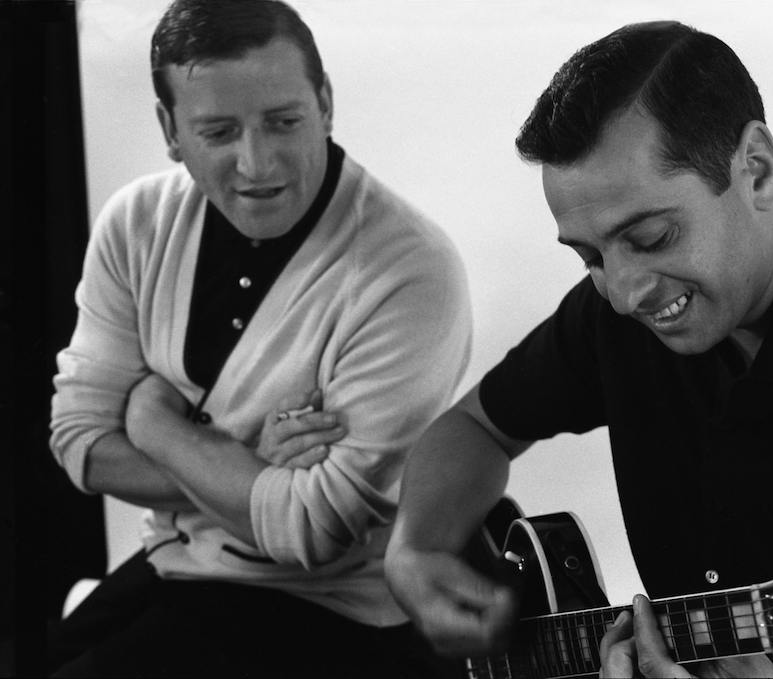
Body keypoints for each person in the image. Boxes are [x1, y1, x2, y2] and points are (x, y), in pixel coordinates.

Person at [384, 20, 773, 678]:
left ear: (756, 170)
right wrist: (416, 547)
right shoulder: (623, 311)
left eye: (650, 237)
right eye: (591, 256)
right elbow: (478, 426)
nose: (622, 293)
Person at [47, 0, 472, 676]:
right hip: (179, 563)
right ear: (170, 129)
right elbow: (79, 445)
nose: (257, 163)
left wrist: (152, 421)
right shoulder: (134, 223)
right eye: (218, 131)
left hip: (336, 606)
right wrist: (251, 467)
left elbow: (312, 533)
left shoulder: (413, 272)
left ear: (325, 103)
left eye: (283, 121)